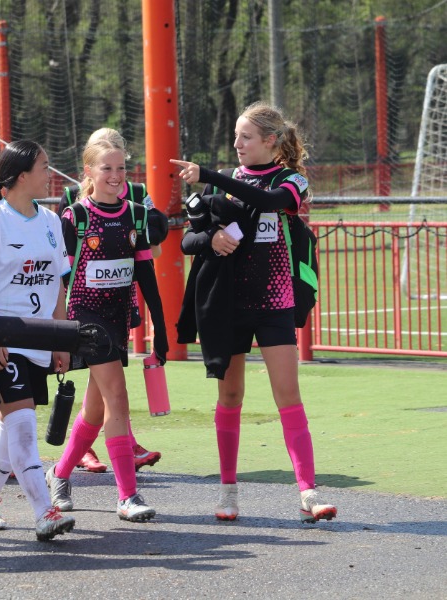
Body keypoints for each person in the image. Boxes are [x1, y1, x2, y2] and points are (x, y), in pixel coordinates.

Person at [171, 101, 337, 524]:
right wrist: (214, 239)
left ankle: (308, 493)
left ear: (270, 141)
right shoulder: (227, 183)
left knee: (288, 397)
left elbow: (268, 200)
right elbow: (188, 242)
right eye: (235, 137)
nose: (237, 144)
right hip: (229, 307)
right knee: (230, 396)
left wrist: (210, 176)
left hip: (275, 304)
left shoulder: (292, 181)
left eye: (246, 137)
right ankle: (228, 493)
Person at [44, 138, 168, 523]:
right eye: (106, 169)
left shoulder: (136, 215)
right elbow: (58, 279)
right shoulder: (75, 218)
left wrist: (160, 330)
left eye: (121, 169)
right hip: (85, 319)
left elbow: (146, 274)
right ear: (89, 173)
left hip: (118, 319)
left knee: (96, 410)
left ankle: (60, 474)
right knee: (118, 396)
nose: (115, 177)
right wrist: (59, 330)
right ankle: (128, 494)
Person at [0, 140, 76, 541]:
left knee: (11, 428)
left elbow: (57, 286)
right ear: (21, 175)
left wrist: (61, 339)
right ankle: (44, 511)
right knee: (24, 426)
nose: (51, 172)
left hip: (40, 340)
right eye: (45, 166)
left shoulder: (50, 221)